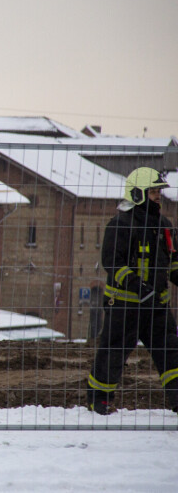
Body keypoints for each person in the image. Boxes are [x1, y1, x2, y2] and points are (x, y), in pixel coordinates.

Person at [87, 167, 178, 415]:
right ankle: (99, 399)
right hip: (125, 306)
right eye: (153, 191)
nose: (159, 195)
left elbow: (173, 261)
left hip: (157, 307)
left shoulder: (165, 226)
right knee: (113, 353)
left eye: (159, 191)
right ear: (138, 193)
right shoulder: (120, 224)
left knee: (171, 354)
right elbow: (111, 261)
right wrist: (134, 284)